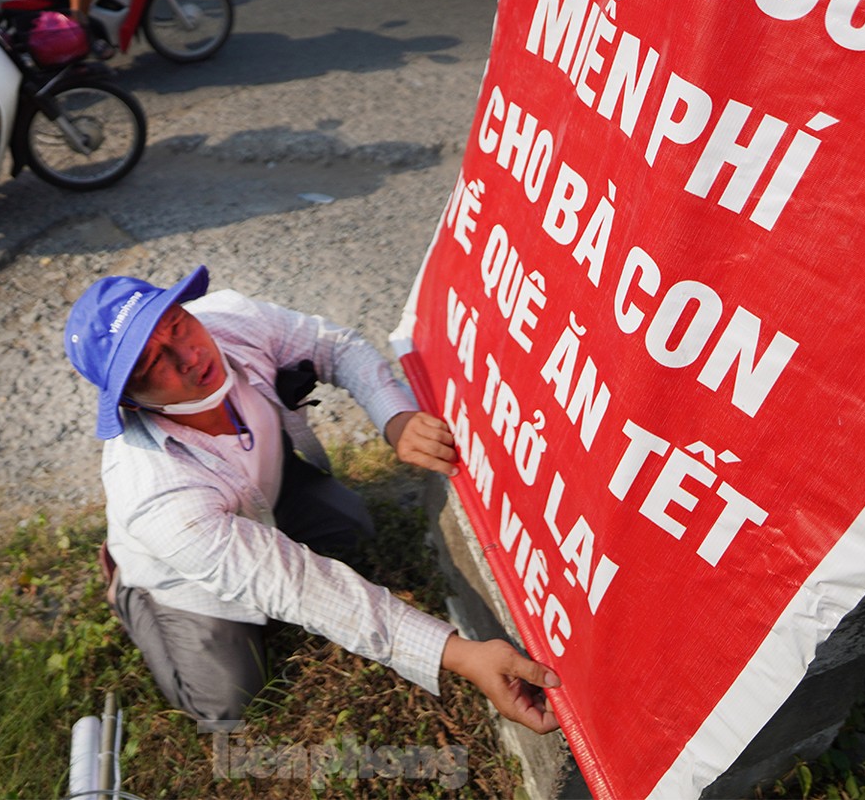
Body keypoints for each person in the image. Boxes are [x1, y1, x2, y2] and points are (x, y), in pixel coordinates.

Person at [65, 266, 562, 736]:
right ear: (130, 401)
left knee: (352, 529)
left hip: (269, 492)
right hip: (178, 570)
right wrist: (458, 654)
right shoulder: (156, 494)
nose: (189, 356)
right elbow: (302, 586)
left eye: (177, 325)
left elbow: (334, 345)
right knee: (230, 702)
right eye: (154, 362)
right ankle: (127, 589)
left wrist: (395, 418)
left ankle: (264, 539)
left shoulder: (233, 321)